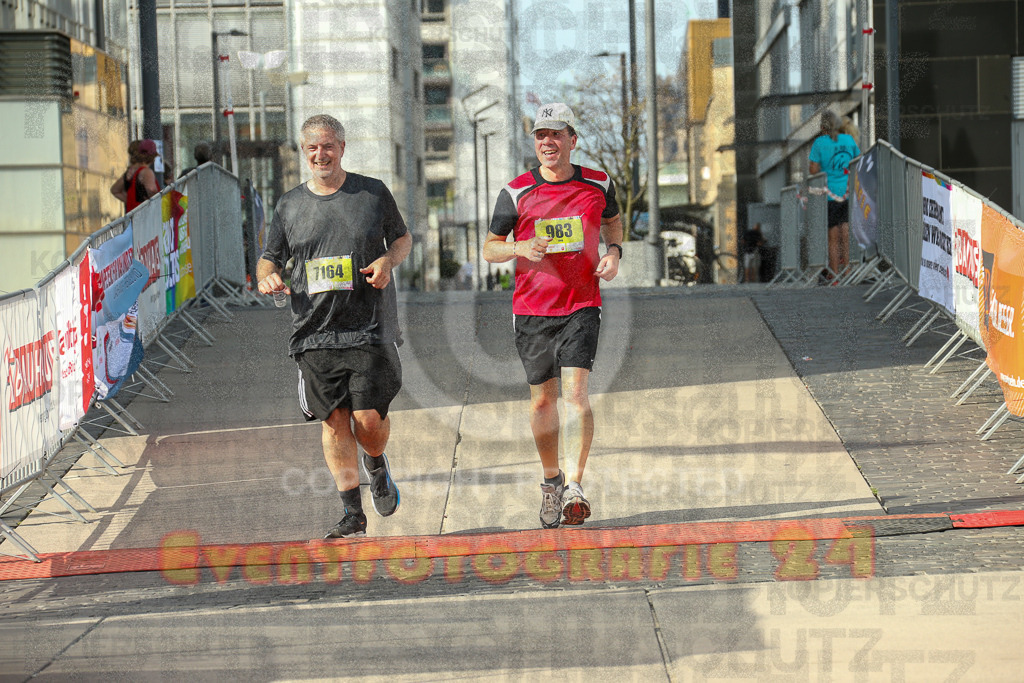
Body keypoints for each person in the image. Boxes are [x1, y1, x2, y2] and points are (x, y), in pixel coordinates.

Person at [256, 114, 412, 539]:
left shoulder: (372, 193)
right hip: (313, 331)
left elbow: (402, 239)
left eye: (328, 146)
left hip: (369, 326)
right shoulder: (289, 204)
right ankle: (352, 514)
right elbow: (269, 257)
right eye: (312, 148)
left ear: (342, 148)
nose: (320, 155)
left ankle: (376, 464)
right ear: (303, 152)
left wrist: (387, 261)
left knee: (368, 422)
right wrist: (267, 276)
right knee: (333, 420)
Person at [484, 102, 622, 528]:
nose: (548, 142)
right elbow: (490, 248)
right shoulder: (516, 191)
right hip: (531, 309)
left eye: (556, 134)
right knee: (543, 400)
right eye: (541, 135)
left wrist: (614, 253)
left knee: (577, 395)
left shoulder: (599, 182)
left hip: (582, 303)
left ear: (572, 140)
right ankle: (551, 482)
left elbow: (614, 223)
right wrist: (518, 248)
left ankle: (576, 486)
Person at [808, 110, 860, 278]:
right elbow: (858, 161)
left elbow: (813, 170)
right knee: (845, 231)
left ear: (823, 127)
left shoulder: (819, 143)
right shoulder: (849, 139)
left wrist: (826, 168)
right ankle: (848, 271)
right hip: (847, 192)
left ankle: (835, 274)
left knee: (833, 236)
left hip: (829, 194)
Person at [110, 139, 160, 213]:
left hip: (133, 217)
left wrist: (131, 202)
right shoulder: (146, 172)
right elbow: (151, 189)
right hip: (146, 216)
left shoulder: (130, 173)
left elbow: (115, 190)